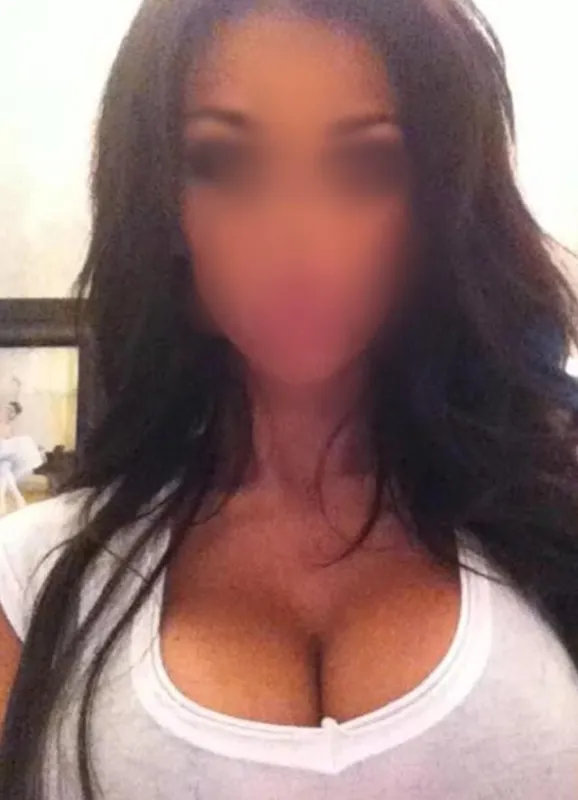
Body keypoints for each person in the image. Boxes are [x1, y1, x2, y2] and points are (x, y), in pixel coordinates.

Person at [1, 1, 577, 797]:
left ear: (441, 201)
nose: (295, 237)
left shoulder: (554, 521)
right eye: (228, 162)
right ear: (163, 207)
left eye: (366, 164)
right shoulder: (33, 580)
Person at [0, 401, 43, 516]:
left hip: (3, 456)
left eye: (11, 412)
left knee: (5, 465)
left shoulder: (9, 427)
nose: (7, 413)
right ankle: (17, 498)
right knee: (5, 463)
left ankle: (3, 500)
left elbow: (9, 442)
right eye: (7, 410)